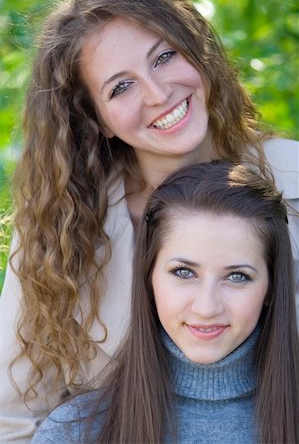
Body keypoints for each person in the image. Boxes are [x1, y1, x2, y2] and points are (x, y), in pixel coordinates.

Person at [0, 0, 298, 441]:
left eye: (164, 57)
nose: (158, 94)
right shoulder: (59, 225)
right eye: (121, 87)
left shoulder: (293, 178)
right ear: (96, 118)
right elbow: (16, 417)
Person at [32, 161, 299, 444]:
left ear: (271, 286)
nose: (206, 308)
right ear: (149, 278)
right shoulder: (73, 433)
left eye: (237, 276)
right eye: (184, 273)